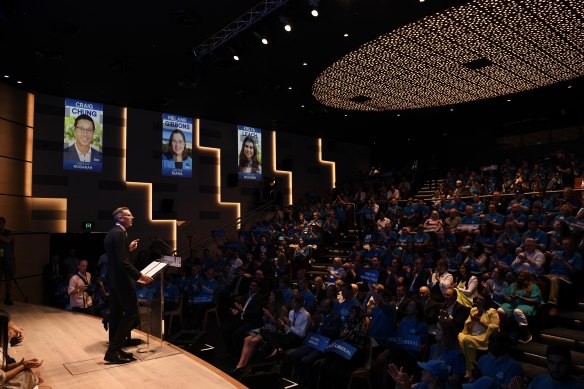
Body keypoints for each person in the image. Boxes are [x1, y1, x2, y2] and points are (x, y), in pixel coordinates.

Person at [103, 207, 154, 364]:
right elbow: (123, 262)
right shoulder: (119, 233)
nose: (132, 217)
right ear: (120, 218)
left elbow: (118, 257)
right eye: (128, 215)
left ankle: (116, 349)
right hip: (123, 281)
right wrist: (140, 276)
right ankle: (113, 350)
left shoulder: (113, 233)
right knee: (132, 315)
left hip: (114, 281)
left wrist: (128, 249)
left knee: (116, 315)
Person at [0, 217, 14, 305]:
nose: (0, 224)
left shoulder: (9, 232)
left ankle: (7, 297)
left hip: (8, 259)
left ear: (4, 223)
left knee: (8, 279)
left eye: (1, 222)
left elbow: (8, 240)